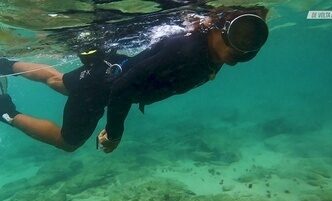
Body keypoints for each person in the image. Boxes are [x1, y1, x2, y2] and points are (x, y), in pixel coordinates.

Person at [0, 7, 269, 153]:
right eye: (240, 34)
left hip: (107, 70)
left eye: (253, 40)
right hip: (106, 86)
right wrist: (114, 135)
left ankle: (5, 64)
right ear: (219, 27)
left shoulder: (211, 51)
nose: (242, 47)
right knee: (67, 142)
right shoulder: (188, 51)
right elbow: (124, 89)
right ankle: (6, 112)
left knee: (58, 82)